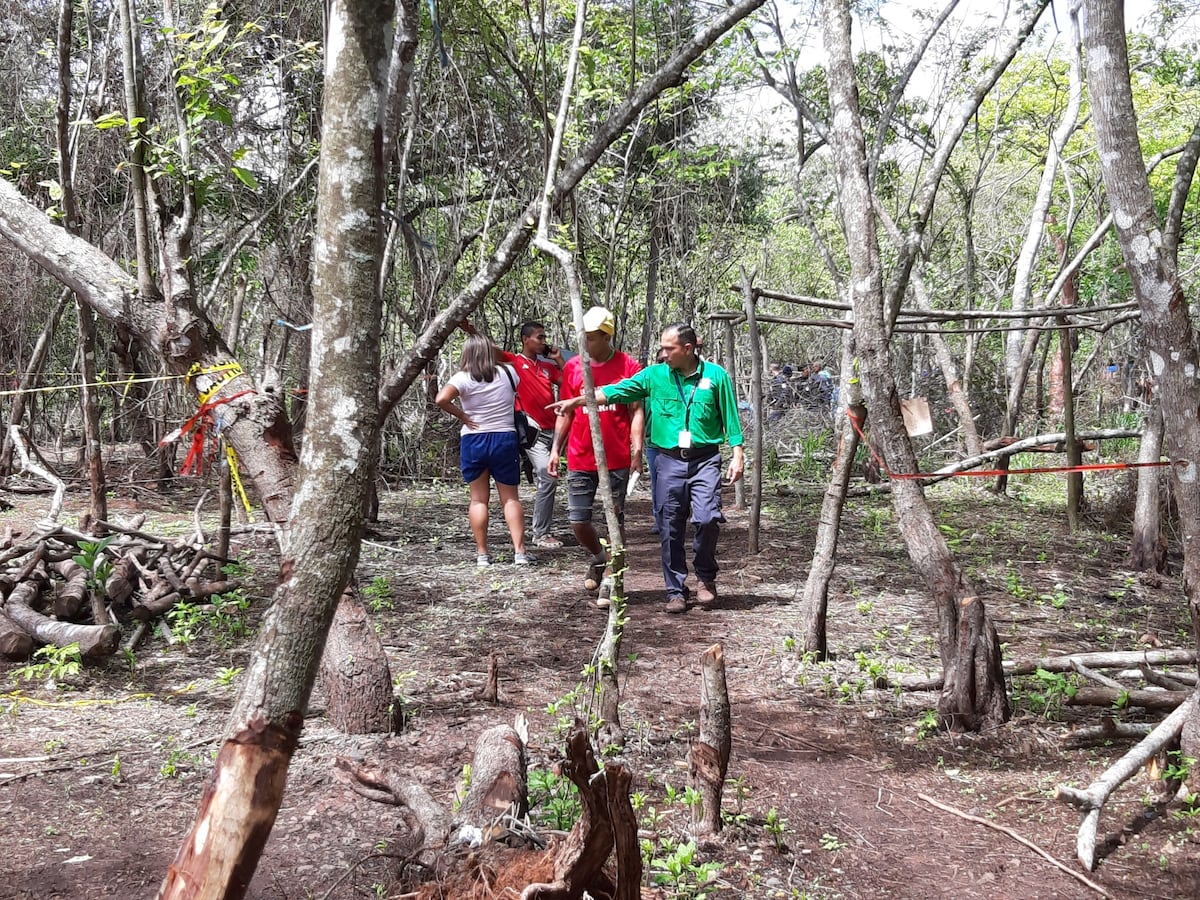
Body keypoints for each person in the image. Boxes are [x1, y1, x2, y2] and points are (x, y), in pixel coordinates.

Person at [552, 322, 744, 614]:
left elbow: (730, 417)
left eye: (669, 349)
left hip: (705, 459)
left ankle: (705, 576)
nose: (663, 354)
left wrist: (738, 454)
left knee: (706, 518)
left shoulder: (716, 376)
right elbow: (617, 391)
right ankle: (675, 589)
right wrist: (578, 400)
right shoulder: (654, 375)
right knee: (669, 524)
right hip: (668, 460)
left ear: (688, 349)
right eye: (663, 348)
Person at [548, 306, 643, 608]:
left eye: (589, 337)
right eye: (581, 337)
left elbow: (637, 411)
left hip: (615, 458)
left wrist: (636, 449)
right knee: (578, 521)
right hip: (579, 456)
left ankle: (612, 579)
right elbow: (566, 411)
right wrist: (555, 449)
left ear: (606, 336)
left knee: (614, 519)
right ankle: (599, 558)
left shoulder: (629, 366)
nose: (584, 342)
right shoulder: (574, 367)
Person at [461, 319, 566, 549]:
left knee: (550, 477)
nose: (543, 342)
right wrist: (469, 328)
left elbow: (569, 383)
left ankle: (541, 529)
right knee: (546, 475)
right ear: (525, 339)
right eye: (539, 337)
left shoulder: (548, 366)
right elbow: (490, 349)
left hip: (553, 429)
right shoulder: (514, 362)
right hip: (531, 432)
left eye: (544, 337)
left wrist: (558, 359)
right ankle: (540, 533)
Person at [435, 334, 533, 568]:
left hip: (474, 439)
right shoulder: (509, 374)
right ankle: (519, 553)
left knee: (478, 499)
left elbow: (441, 399)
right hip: (504, 438)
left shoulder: (462, 377)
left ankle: (482, 555)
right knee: (510, 498)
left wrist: (463, 416)